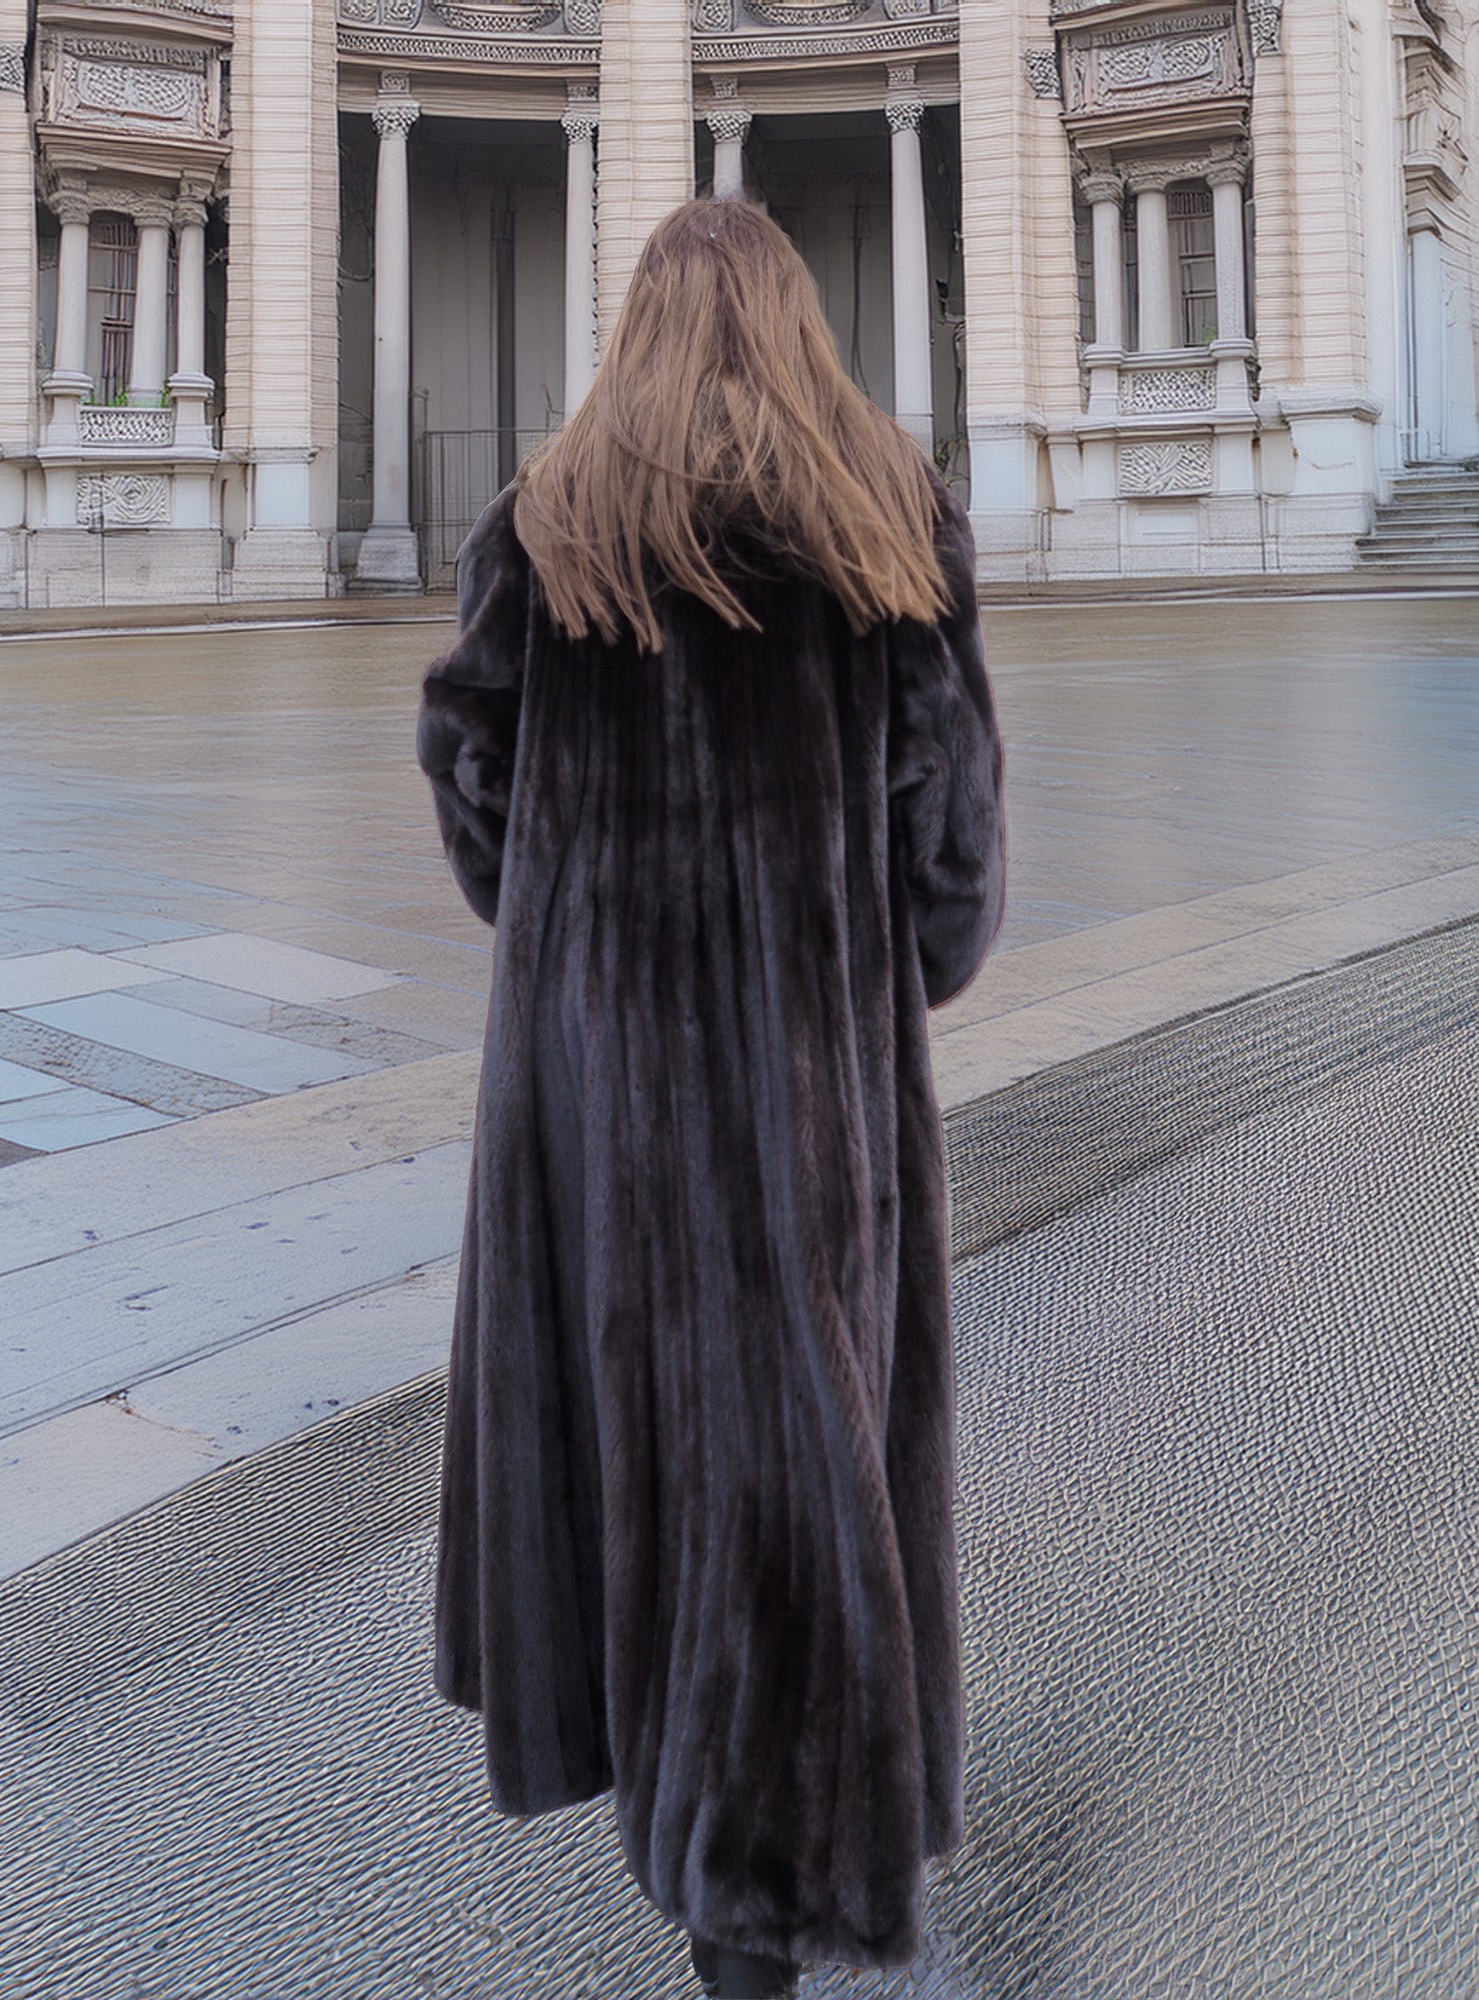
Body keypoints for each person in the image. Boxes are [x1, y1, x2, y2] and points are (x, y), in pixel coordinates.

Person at [416, 192, 1007, 2000]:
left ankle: (702, 1861)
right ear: (798, 321)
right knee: (804, 1463)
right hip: (811, 1104)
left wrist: (577, 934)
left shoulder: (545, 523)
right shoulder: (887, 518)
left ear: (639, 335)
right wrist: (854, 966)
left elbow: (471, 787)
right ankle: (769, 1884)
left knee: (633, 1455)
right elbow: (952, 869)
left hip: (594, 1106)